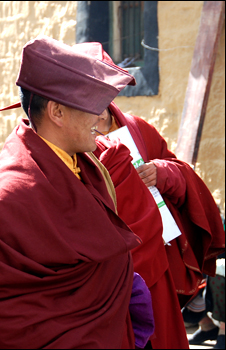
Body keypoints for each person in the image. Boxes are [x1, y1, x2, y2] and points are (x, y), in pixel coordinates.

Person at [0, 35, 153, 349]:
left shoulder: (85, 165)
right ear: (57, 112)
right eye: (94, 104)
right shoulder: (7, 195)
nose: (103, 116)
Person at [67, 41, 190, 348]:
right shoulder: (68, 136)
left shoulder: (136, 128)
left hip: (153, 250)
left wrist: (161, 172)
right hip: (106, 262)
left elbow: (180, 169)